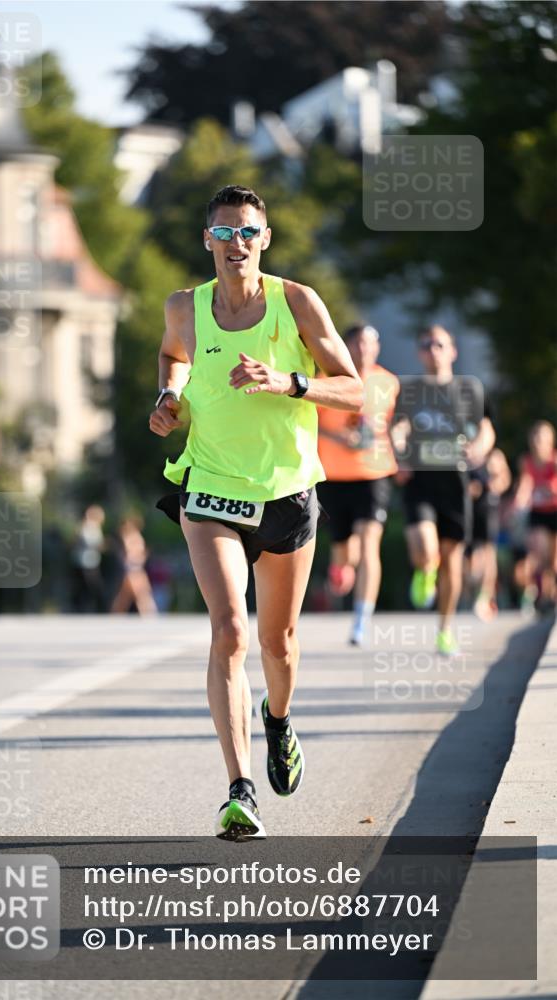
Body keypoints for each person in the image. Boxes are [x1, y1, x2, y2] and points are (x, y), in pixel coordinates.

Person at [150, 185, 362, 841]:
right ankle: (239, 790)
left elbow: (354, 393)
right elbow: (173, 357)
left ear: (263, 238)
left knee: (278, 644)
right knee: (229, 632)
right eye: (222, 233)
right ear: (206, 241)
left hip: (286, 490)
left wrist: (287, 382)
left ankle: (277, 718)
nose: (234, 244)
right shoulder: (184, 307)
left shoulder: (295, 302)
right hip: (210, 486)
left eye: (246, 232)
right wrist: (169, 396)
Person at [392, 325, 495, 655]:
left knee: (452, 559)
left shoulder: (468, 391)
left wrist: (480, 447)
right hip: (420, 479)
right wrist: (399, 453)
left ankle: (445, 630)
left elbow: (487, 429)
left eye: (439, 344)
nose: (432, 349)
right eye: (426, 344)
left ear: (453, 351)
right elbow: (398, 426)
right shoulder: (411, 391)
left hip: (456, 482)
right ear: (420, 352)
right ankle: (425, 569)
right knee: (425, 545)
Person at [316, 324, 400, 645]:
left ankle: (362, 619)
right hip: (335, 476)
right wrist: (339, 437)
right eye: (357, 342)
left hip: (375, 474)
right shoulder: (328, 381)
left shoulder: (388, 383)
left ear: (376, 347)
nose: (363, 348)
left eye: (369, 342)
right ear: (346, 346)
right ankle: (341, 566)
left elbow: (395, 424)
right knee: (343, 551)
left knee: (369, 546)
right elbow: (310, 426)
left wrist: (401, 446)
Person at [512, 420, 557, 612]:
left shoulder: (554, 461)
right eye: (535, 437)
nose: (538, 442)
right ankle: (541, 595)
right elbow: (525, 483)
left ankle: (550, 594)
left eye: (542, 437)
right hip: (538, 512)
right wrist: (519, 501)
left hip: (555, 511)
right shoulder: (527, 461)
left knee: (553, 560)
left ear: (550, 440)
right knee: (540, 550)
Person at [465, 447, 511, 621]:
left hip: (489, 511)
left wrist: (494, 483)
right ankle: (472, 594)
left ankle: (484, 598)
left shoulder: (494, 455)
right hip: (469, 513)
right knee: (471, 563)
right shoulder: (466, 453)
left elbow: (504, 479)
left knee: (489, 554)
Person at [110, 515, 158, 615]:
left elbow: (132, 551)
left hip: (135, 566)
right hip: (133, 567)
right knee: (140, 593)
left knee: (129, 594)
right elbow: (132, 552)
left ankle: (117, 614)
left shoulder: (132, 536)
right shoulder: (132, 537)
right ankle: (149, 613)